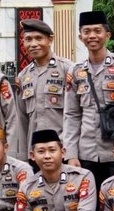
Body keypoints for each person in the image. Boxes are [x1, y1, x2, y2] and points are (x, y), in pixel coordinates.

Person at [63, 10, 114, 185]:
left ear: (107, 35)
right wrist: (71, 154)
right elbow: (72, 115)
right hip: (86, 153)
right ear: (80, 37)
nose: (92, 36)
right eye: (87, 32)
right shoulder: (75, 71)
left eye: (97, 31)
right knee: (89, 205)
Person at [9, 19, 72, 161]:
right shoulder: (24, 76)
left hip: (63, 149)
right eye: (28, 39)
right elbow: (21, 119)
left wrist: (71, 150)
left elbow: (75, 114)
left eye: (39, 38)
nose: (33, 44)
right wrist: (23, 156)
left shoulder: (67, 69)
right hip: (36, 153)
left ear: (50, 40)